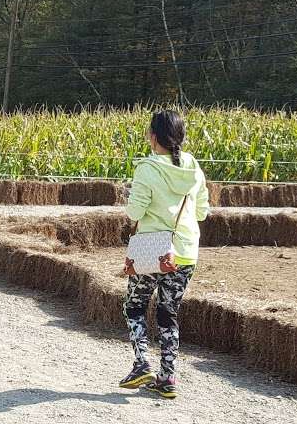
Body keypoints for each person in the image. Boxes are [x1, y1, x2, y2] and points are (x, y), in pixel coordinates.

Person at [119, 110, 210, 399]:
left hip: (152, 252)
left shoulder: (147, 168)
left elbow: (134, 212)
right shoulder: (194, 167)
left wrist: (131, 198)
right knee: (168, 312)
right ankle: (168, 377)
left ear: (154, 136)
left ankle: (141, 363)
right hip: (185, 250)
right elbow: (203, 212)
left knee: (135, 305)